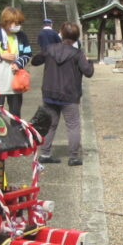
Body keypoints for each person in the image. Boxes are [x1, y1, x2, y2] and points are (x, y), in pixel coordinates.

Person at [32, 22, 94, 166]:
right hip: (69, 95)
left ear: (61, 33)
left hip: (49, 93)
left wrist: (44, 54)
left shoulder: (49, 49)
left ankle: (45, 153)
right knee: (72, 125)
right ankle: (73, 157)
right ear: (76, 37)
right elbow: (88, 72)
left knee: (50, 124)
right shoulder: (77, 54)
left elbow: (35, 61)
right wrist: (90, 62)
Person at [0, 6, 32, 118]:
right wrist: (0, 55)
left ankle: (16, 134)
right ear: (5, 22)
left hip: (15, 81)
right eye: (13, 22)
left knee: (15, 115)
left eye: (18, 23)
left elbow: (27, 53)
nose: (16, 25)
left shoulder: (21, 36)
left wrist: (18, 63)